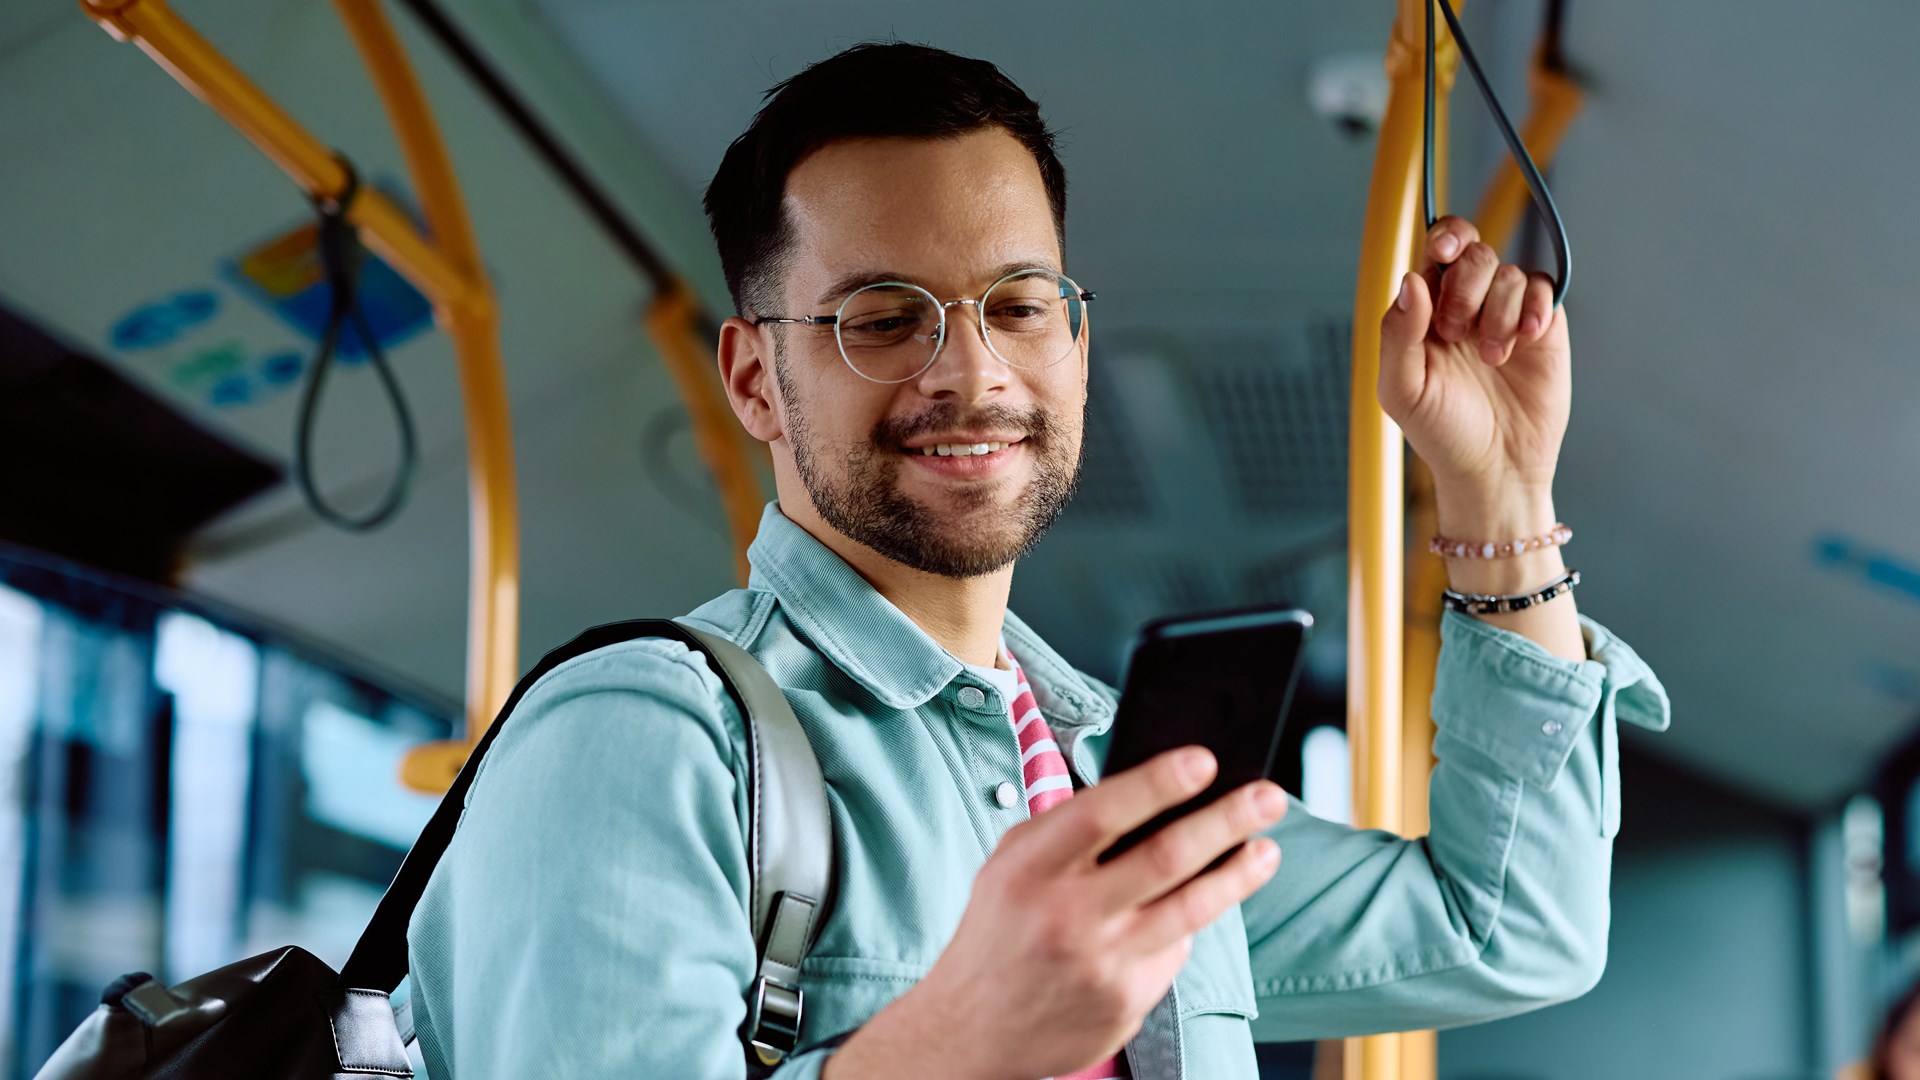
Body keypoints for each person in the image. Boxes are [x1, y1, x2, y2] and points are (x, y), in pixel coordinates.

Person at [405, 42, 1670, 1080]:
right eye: (884, 319)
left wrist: (1498, 489)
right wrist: (954, 1043)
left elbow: (1508, 929)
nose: (972, 373)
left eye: (1018, 305)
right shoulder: (640, 739)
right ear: (754, 379)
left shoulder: (1112, 778)